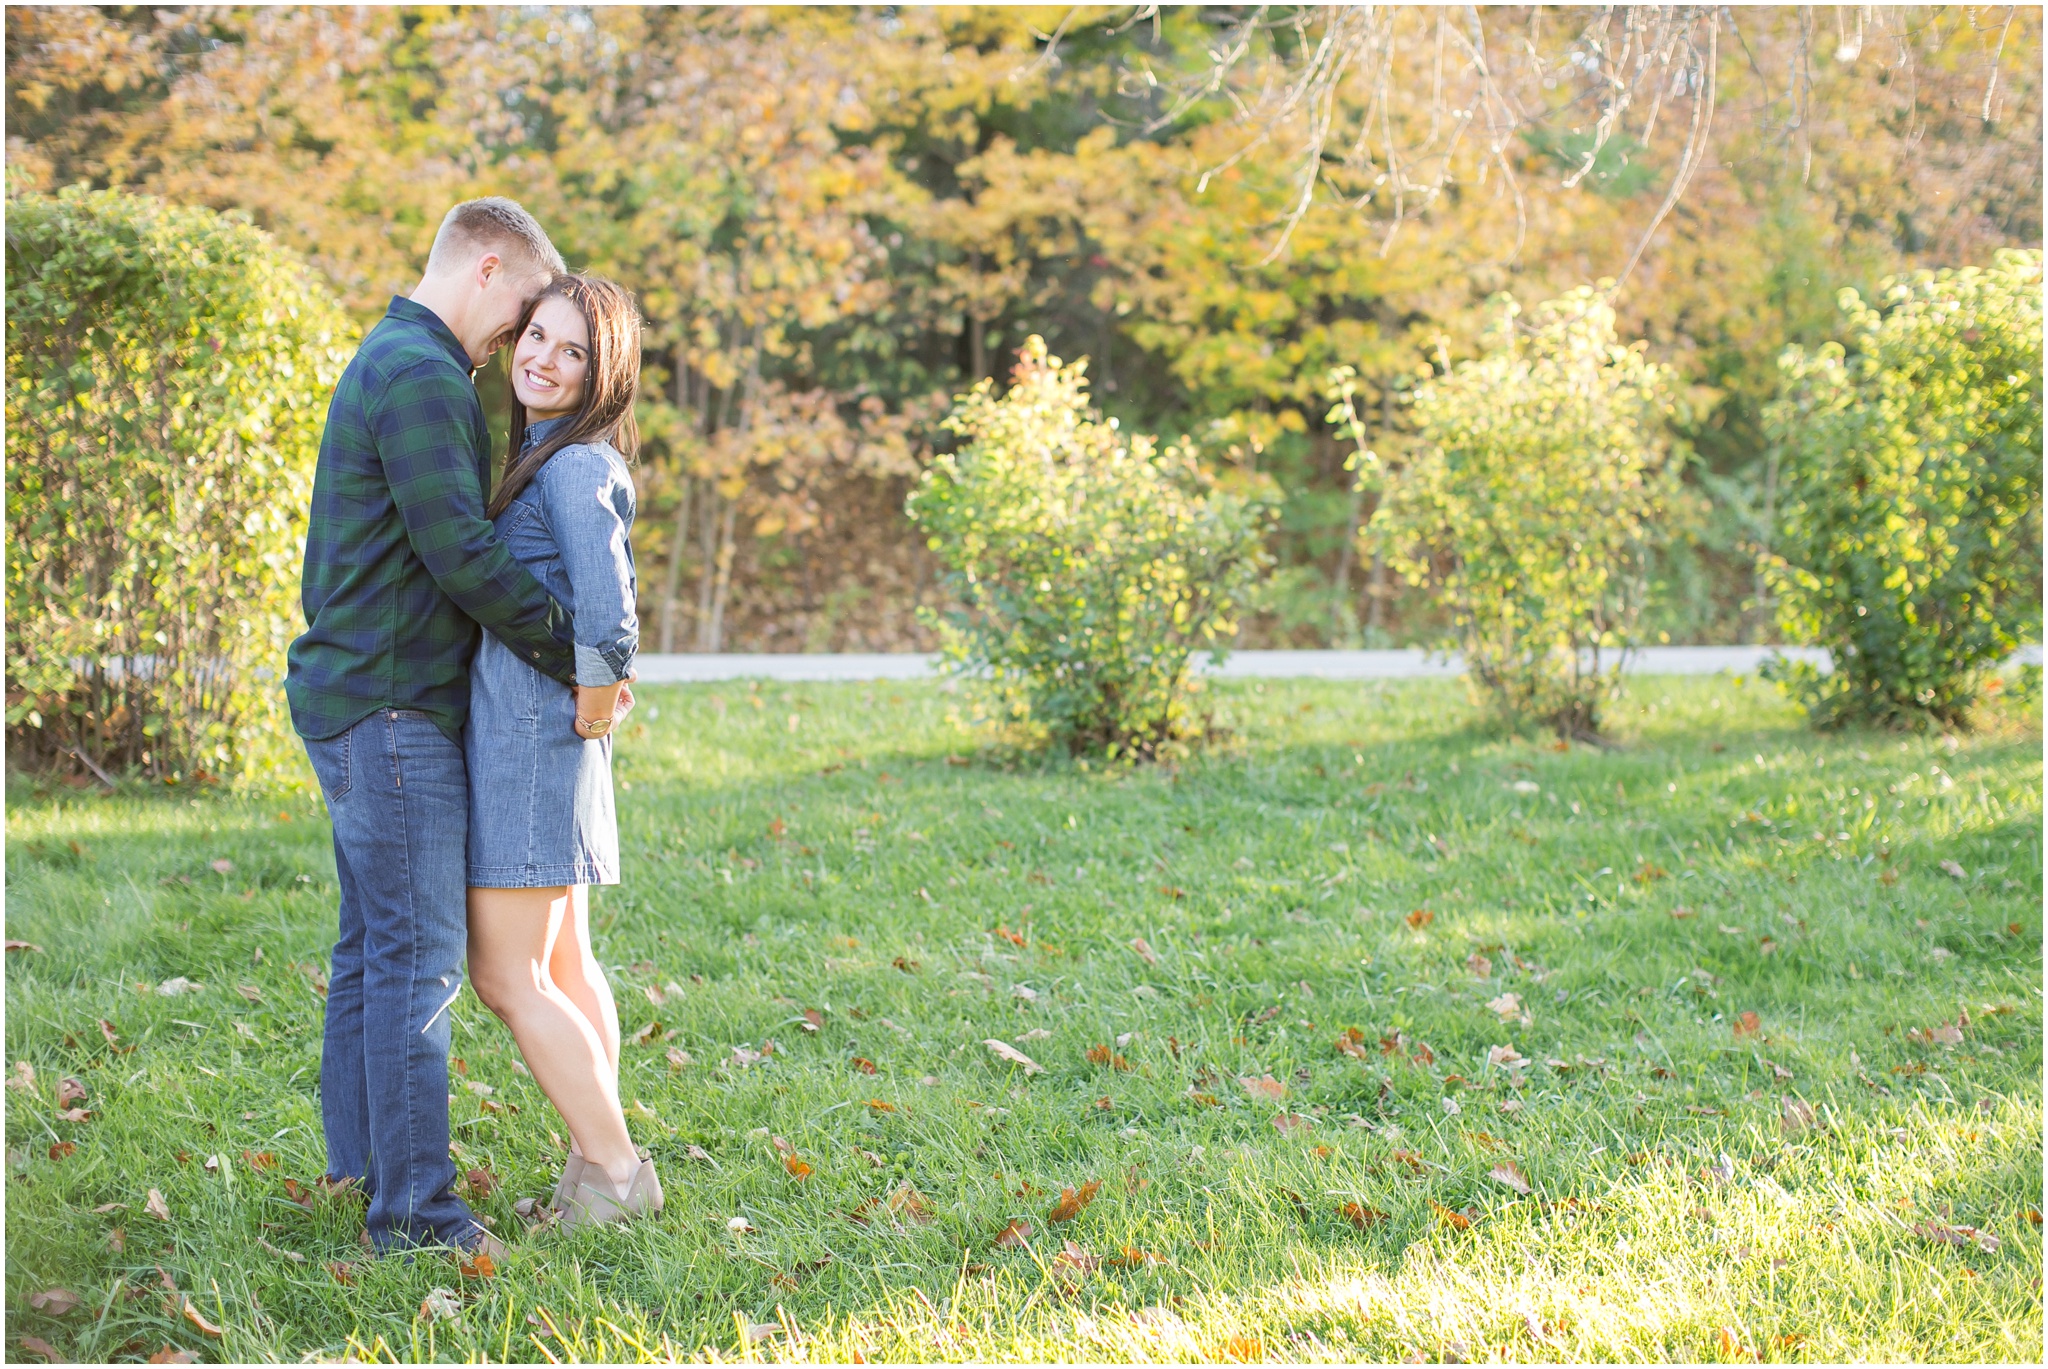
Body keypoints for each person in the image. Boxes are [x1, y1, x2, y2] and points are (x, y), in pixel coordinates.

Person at [286, 197, 589, 1258]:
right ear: (489, 266)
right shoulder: (418, 374)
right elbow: (460, 551)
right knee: (415, 961)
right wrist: (581, 650)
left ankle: (360, 1165)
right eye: (520, 315)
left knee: (374, 950)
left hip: (360, 694)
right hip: (388, 704)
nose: (518, 341)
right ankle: (414, 1216)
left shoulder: (402, 358)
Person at [462, 274, 661, 1225]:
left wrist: (589, 710)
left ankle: (617, 1172)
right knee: (571, 965)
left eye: (573, 349)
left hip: (534, 741)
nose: (543, 357)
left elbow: (611, 612)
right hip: (545, 739)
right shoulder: (544, 453)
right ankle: (595, 1166)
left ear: (602, 371)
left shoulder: (577, 465)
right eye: (537, 335)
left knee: (507, 976)